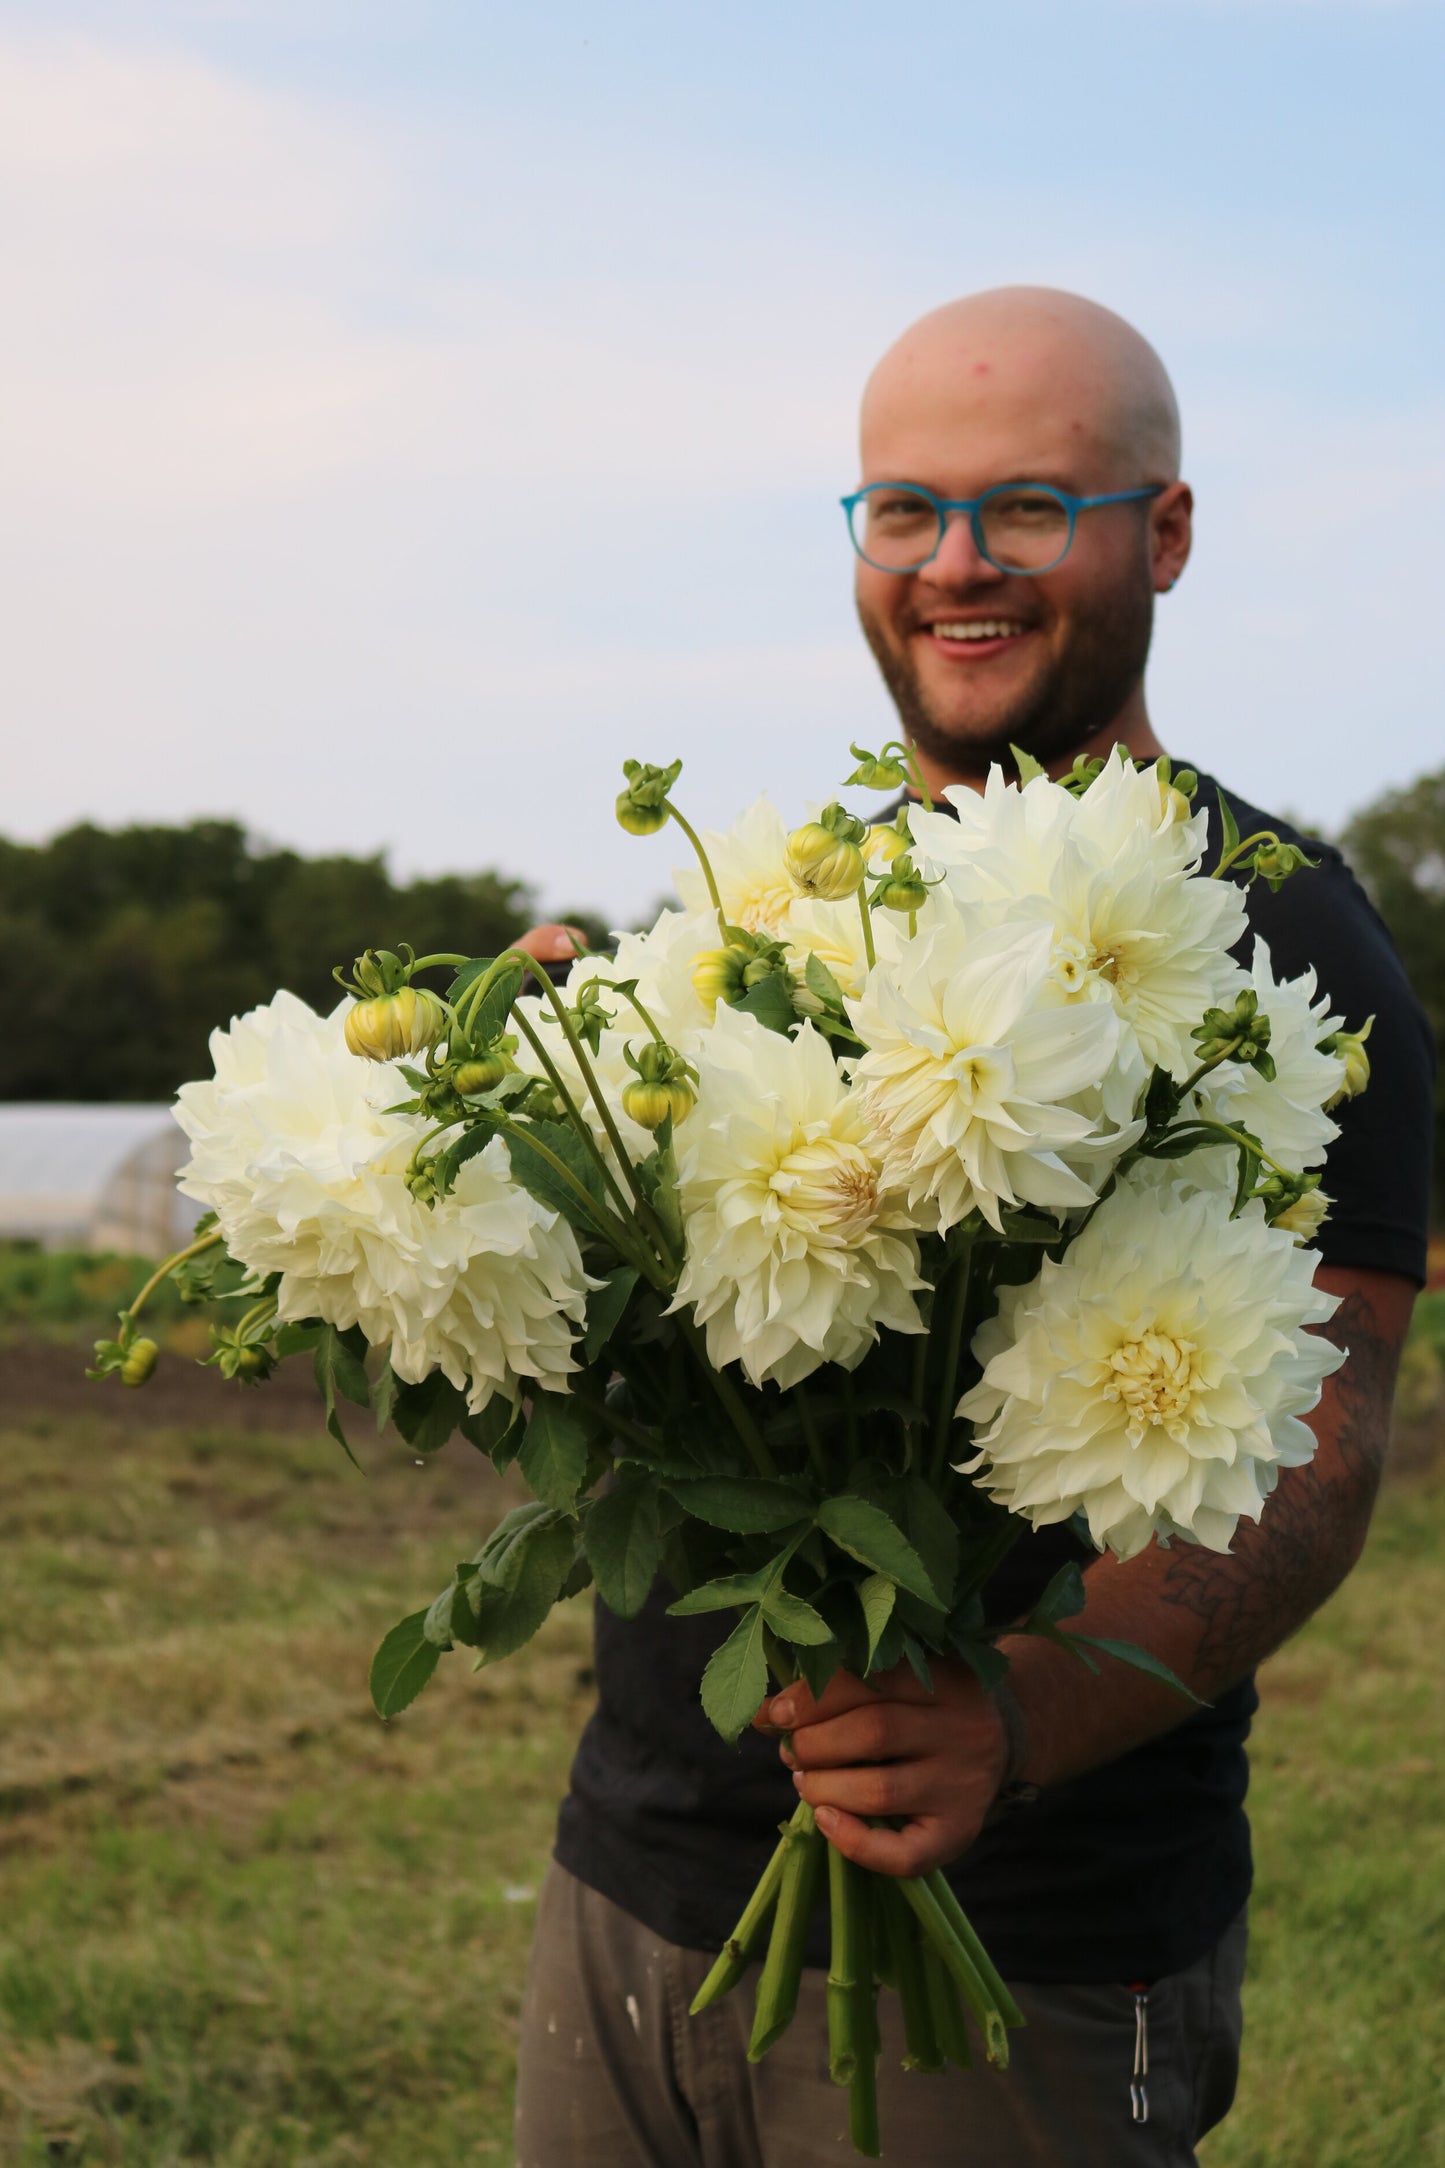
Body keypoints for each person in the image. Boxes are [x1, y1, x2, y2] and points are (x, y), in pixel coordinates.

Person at [510, 289, 1434, 2167]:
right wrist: (545, 1148)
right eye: (902, 507)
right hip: (633, 1885)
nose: (955, 565)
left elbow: (1314, 1458)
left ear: (1161, 534)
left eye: (1026, 505)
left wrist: (1011, 1718)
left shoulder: (1287, 945)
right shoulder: (774, 921)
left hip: (1019, 1961)